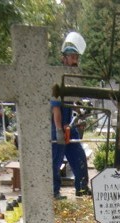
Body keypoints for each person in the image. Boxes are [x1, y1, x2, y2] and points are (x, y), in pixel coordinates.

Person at [51, 32, 91, 200]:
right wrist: (59, 131)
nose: (75, 60)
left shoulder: (71, 78)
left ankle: (81, 188)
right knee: (55, 160)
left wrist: (81, 111)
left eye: (76, 57)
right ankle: (53, 191)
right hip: (57, 124)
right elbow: (56, 107)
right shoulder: (57, 78)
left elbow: (72, 100)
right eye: (72, 57)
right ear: (64, 58)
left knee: (79, 156)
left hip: (69, 125)